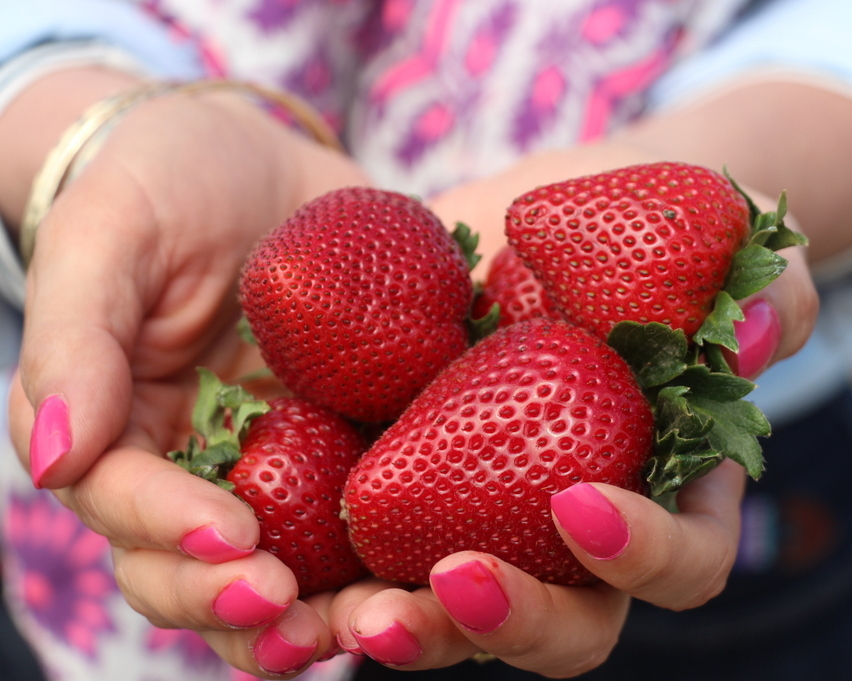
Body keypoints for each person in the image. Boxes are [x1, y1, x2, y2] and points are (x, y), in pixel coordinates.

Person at [0, 0, 845, 679]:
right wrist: (83, 132)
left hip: (759, 499)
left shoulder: (552, 362)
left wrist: (721, 163)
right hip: (184, 393)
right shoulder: (514, 359)